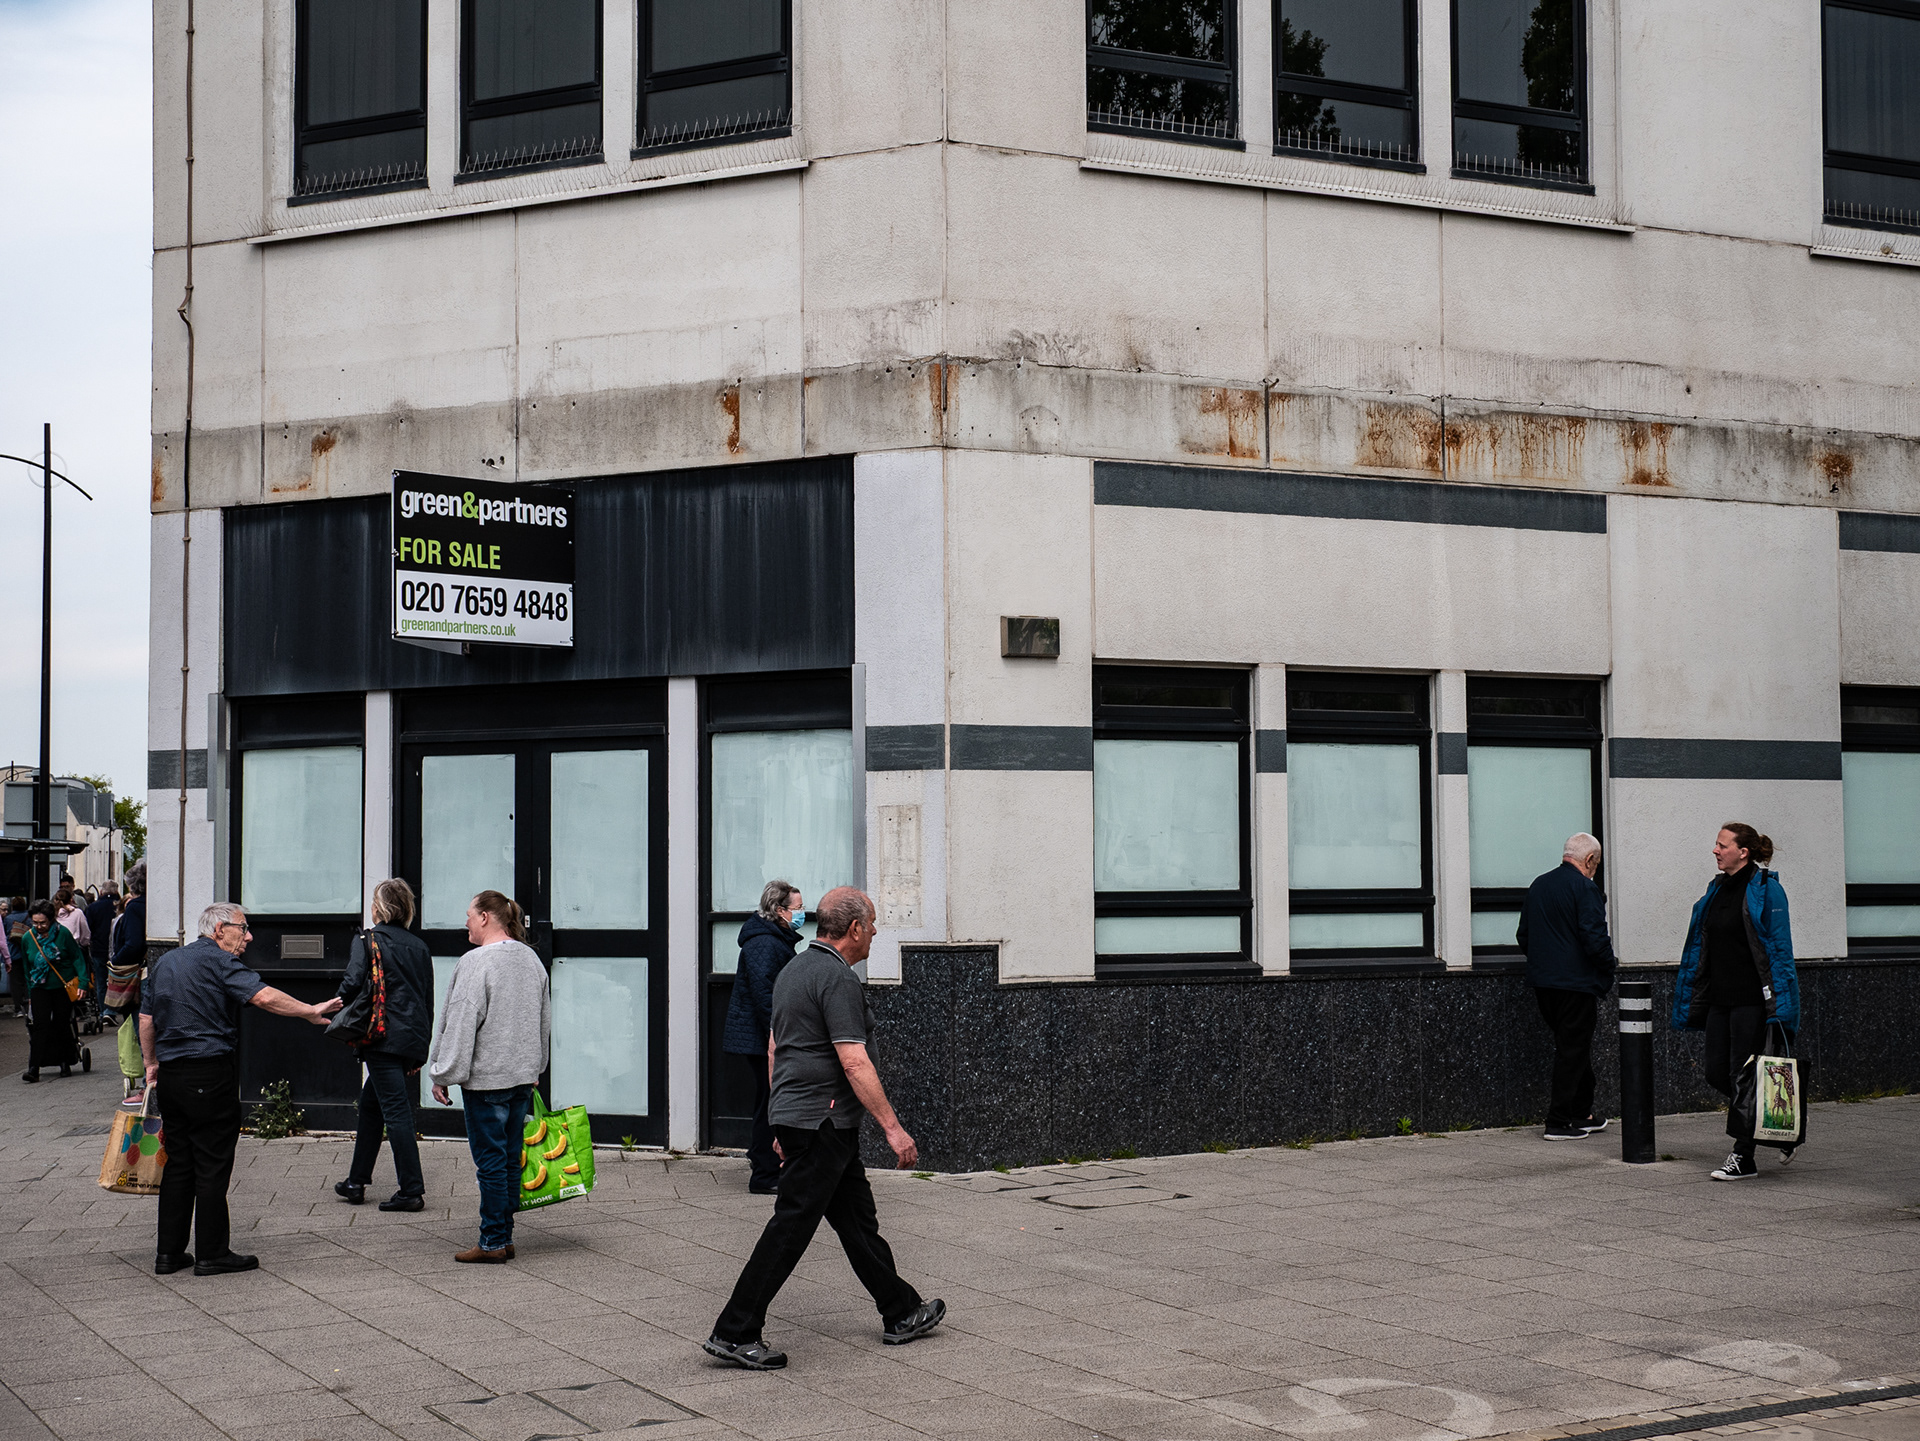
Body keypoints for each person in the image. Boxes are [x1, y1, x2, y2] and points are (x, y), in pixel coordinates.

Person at [704, 887, 944, 1371]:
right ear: (854, 928)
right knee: (792, 1225)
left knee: (857, 1221)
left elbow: (775, 1049)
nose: (875, 932)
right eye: (873, 923)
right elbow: (854, 1062)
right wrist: (894, 1130)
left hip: (803, 1117)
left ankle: (900, 1311)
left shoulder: (794, 969)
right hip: (823, 1121)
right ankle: (735, 1330)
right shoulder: (836, 979)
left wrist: (779, 1116)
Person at [139, 903, 342, 1276]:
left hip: (172, 1077)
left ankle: (168, 1254)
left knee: (179, 1163)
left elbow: (147, 1019)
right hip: (209, 1074)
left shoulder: (166, 963)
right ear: (219, 930)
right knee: (212, 1164)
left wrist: (151, 1065)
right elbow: (263, 996)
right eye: (243, 928)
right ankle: (212, 1253)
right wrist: (308, 1010)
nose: (248, 937)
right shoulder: (219, 962)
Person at [1672, 823, 1800, 1182]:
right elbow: (1700, 946)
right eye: (1715, 844)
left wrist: (1781, 1005)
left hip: (1751, 1001)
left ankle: (1744, 1156)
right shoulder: (1716, 890)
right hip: (1719, 999)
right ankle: (1773, 1125)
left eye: (1722, 845)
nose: (1715, 850)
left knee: (1742, 1075)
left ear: (1743, 851)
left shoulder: (1766, 890)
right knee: (1717, 1072)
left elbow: (1779, 951)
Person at [428, 891, 550, 1264]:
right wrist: (536, 1067)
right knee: (510, 1159)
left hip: (487, 1080)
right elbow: (542, 1021)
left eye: (468, 915)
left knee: (492, 1163)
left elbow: (462, 1022)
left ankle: (493, 1240)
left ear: (484, 917)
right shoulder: (531, 961)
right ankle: (505, 1236)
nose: (464, 922)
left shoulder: (476, 962)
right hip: (520, 1078)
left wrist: (443, 1072)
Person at [333, 878, 434, 1212]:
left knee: (397, 1112)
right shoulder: (419, 946)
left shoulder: (367, 939)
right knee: (372, 1106)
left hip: (380, 1036)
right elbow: (425, 1000)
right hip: (408, 1037)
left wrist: (328, 1010)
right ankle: (356, 1181)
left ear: (379, 907)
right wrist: (420, 1047)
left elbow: (351, 983)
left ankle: (411, 1191)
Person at [1517, 833, 1617, 1141]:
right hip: (1576, 984)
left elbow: (1524, 935)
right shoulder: (1584, 888)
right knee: (1572, 1050)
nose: (1594, 871)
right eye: (1595, 865)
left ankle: (1581, 1112)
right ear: (1589, 860)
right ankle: (1558, 1121)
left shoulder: (1539, 885)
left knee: (1574, 1047)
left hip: (1543, 983)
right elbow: (1595, 937)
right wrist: (1608, 966)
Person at [721, 880, 805, 1194]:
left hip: (763, 1036)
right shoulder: (765, 944)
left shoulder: (773, 938)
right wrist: (782, 1036)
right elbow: (766, 997)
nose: (801, 913)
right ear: (779, 910)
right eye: (797, 908)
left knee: (768, 1101)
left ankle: (765, 1164)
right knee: (771, 1104)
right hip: (763, 1039)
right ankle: (765, 1175)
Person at [20, 901, 87, 1082]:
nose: (39, 927)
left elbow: (77, 958)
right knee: (39, 1026)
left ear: (51, 920)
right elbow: (27, 967)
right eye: (35, 923)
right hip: (39, 987)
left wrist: (83, 982)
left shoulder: (63, 934)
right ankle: (34, 1068)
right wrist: (29, 991)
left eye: (42, 923)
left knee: (62, 1023)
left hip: (61, 986)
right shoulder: (28, 938)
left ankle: (65, 1062)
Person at [84, 882, 119, 1008]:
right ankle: (116, 1007)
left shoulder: (93, 908)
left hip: (98, 948)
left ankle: (104, 1009)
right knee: (117, 981)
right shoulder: (122, 906)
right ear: (116, 891)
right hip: (118, 949)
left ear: (101, 892)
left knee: (100, 981)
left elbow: (88, 929)